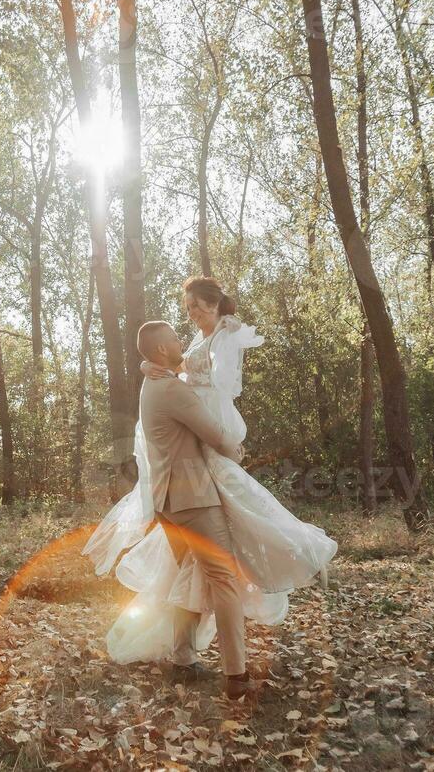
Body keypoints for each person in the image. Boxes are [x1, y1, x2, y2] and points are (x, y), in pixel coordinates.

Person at [82, 277, 337, 699]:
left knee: (189, 576)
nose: (185, 334)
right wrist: (233, 450)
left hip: (170, 502)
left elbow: (197, 373)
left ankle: (183, 657)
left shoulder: (154, 381)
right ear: (162, 351)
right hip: (192, 498)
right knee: (223, 578)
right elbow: (217, 435)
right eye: (176, 337)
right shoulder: (171, 392)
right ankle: (236, 675)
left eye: (193, 313)